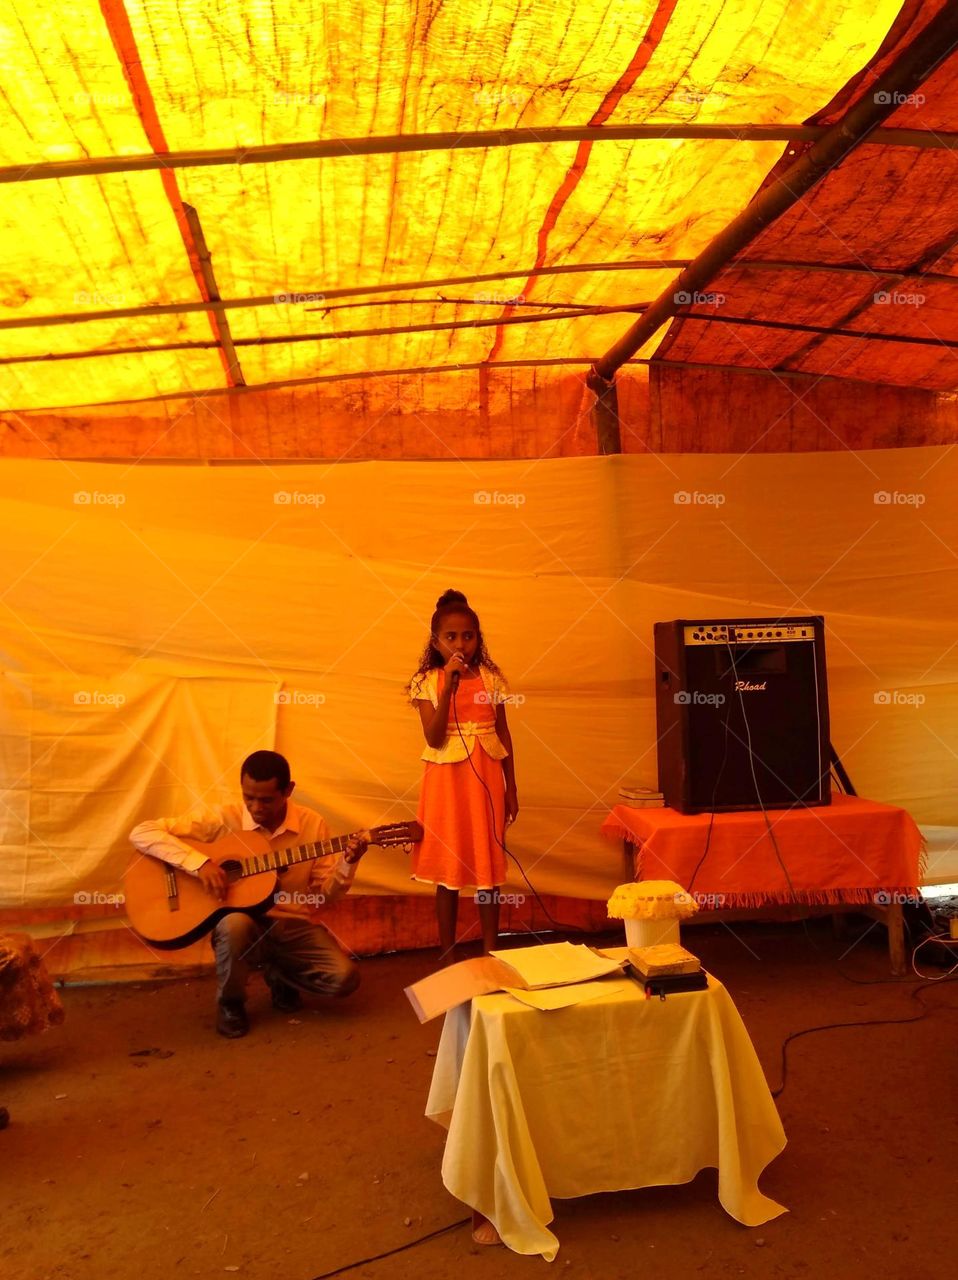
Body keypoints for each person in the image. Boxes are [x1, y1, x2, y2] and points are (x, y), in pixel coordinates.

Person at [128, 750, 367, 1038]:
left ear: (288, 790)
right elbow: (142, 833)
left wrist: (349, 861)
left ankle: (279, 973)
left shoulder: (312, 824)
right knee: (234, 925)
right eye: (248, 797)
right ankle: (230, 1004)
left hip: (289, 923)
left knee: (344, 979)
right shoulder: (223, 818)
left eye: (266, 800)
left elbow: (326, 896)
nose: (255, 807)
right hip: (240, 923)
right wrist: (199, 864)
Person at [407, 589, 519, 960]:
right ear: (436, 640)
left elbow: (503, 734)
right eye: (451, 636)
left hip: (486, 777)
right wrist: (449, 686)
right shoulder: (428, 681)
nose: (461, 644)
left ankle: (491, 949)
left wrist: (512, 786)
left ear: (478, 638)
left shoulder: (491, 679)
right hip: (446, 782)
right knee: (449, 863)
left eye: (468, 636)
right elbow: (434, 737)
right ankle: (448, 951)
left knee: (486, 861)